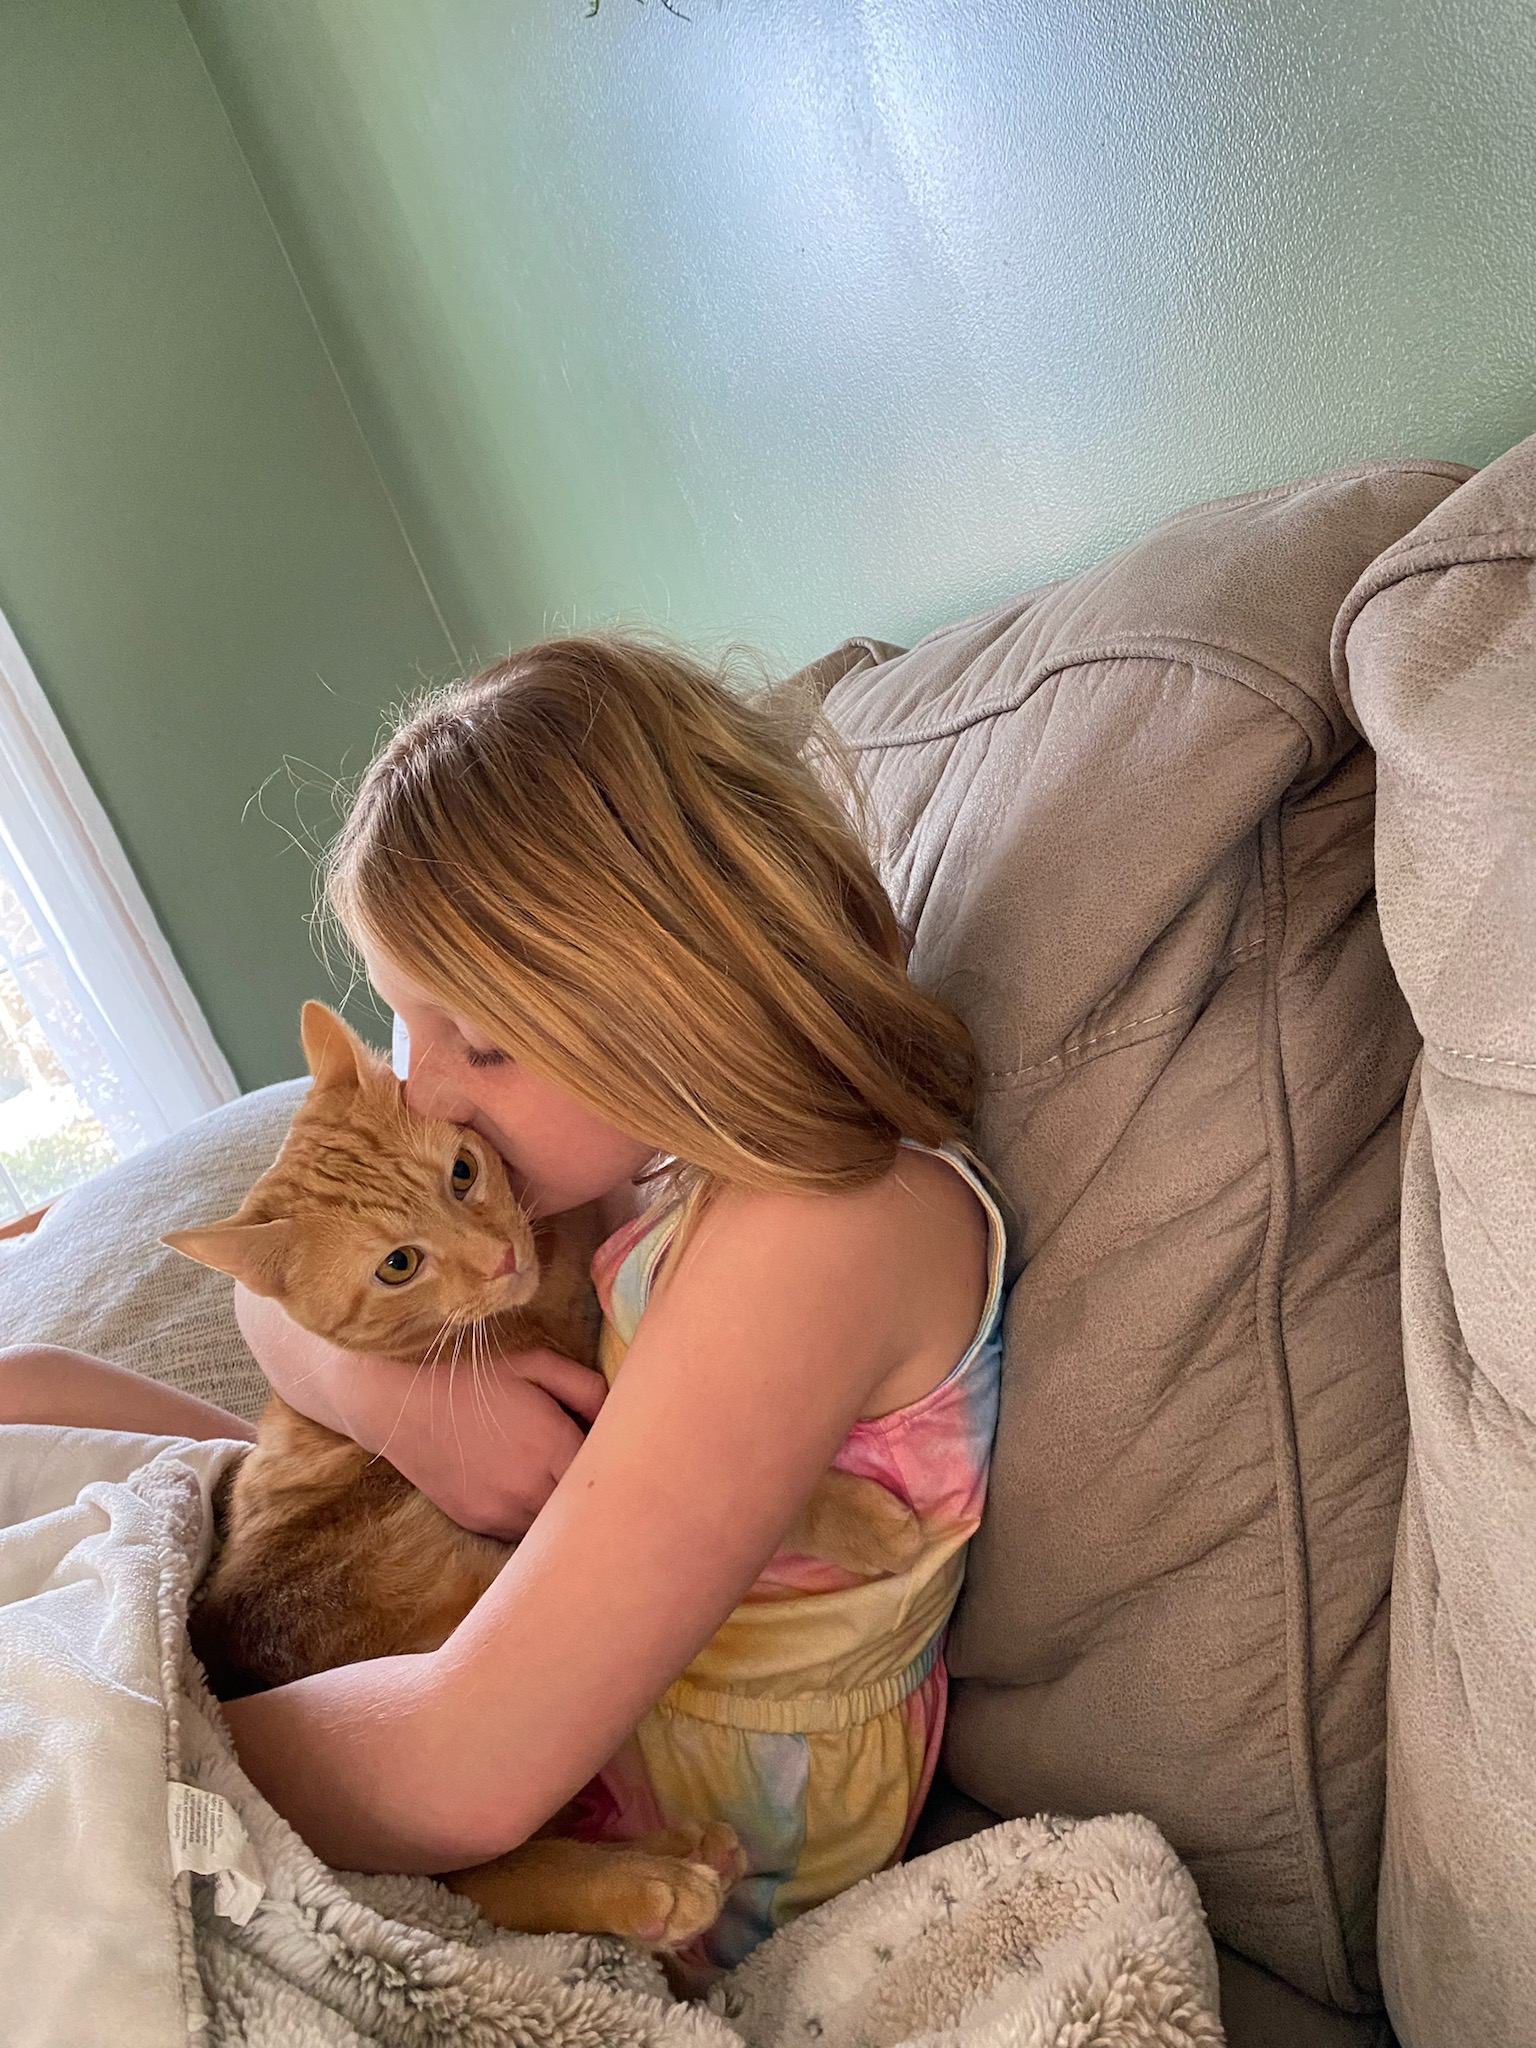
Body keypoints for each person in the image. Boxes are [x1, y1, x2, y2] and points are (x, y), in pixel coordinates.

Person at [0, 636, 1006, 1967]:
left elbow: (460, 1771)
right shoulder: (626, 1164)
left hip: (665, 1798)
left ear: (685, 996)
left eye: (479, 1039)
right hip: (496, 1613)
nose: (423, 1091)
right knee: (30, 1389)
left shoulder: (820, 1232)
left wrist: (121, 1742)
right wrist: (397, 1407)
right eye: (403, 1023)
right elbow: (272, 1306)